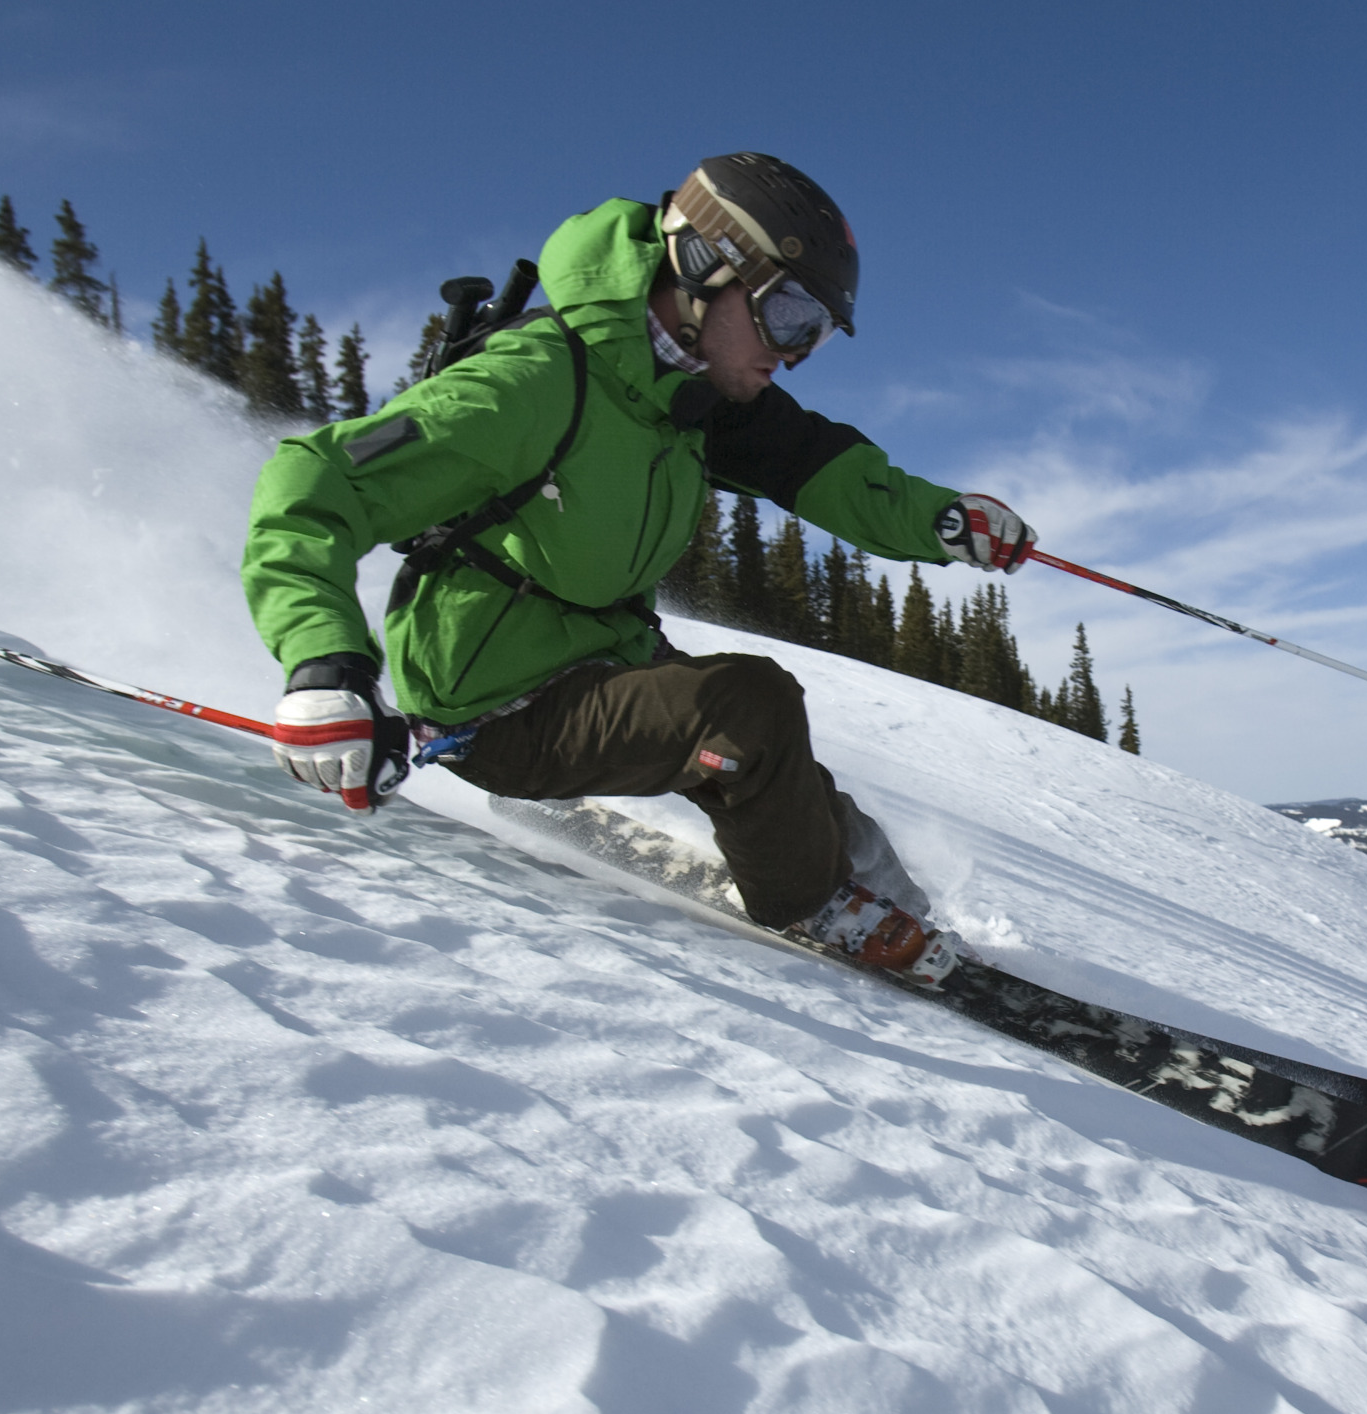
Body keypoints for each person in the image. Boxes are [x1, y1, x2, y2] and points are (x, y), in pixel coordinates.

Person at [240, 153, 1035, 984]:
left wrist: (943, 521)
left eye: (818, 335)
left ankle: (891, 905)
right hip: (497, 704)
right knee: (747, 710)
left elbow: (821, 465)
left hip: (601, 662)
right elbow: (315, 484)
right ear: (703, 266)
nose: (795, 354)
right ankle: (817, 907)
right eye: (791, 316)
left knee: (802, 794)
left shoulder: (687, 393)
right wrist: (325, 664)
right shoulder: (536, 382)